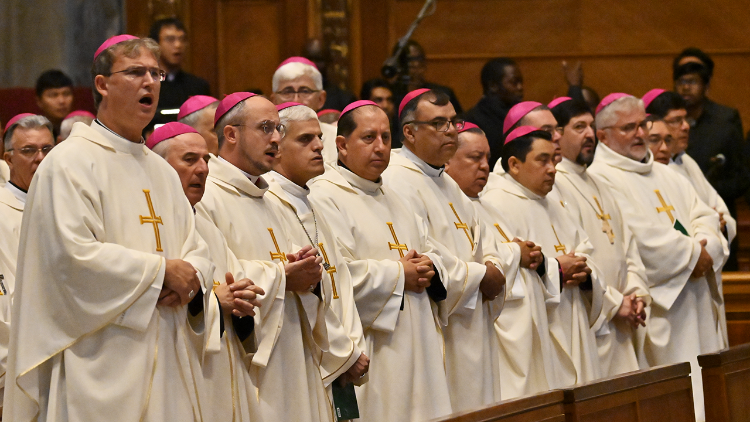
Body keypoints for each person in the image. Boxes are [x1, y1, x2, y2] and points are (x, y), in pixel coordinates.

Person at [4, 35, 216, 421]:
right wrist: (160, 271)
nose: (149, 82)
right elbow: (69, 258)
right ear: (101, 85)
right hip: (98, 363)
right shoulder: (68, 162)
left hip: (168, 354)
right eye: (136, 72)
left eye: (156, 73)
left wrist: (196, 275)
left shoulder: (161, 172)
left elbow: (196, 246)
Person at [384, 89, 540, 410]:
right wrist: (482, 275)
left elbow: (482, 240)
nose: (451, 131)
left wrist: (494, 266)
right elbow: (420, 251)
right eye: (439, 123)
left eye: (454, 122)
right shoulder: (396, 179)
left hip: (472, 323)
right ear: (410, 132)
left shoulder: (447, 181)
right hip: (442, 326)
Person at [195, 92, 342, 422]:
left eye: (278, 128)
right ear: (231, 134)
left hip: (296, 357)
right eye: (266, 128)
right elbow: (217, 280)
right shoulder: (208, 196)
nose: (277, 137)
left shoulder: (275, 201)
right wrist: (283, 276)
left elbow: (308, 277)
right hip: (248, 362)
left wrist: (310, 273)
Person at [309, 101, 455, 421]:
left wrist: (430, 265)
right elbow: (336, 277)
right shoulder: (324, 196)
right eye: (368, 138)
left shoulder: (397, 198)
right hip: (376, 349)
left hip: (421, 344)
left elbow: (433, 251)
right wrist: (398, 274)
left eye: (386, 138)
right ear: (342, 145)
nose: (380, 147)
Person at [588, 93, 726, 421]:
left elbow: (703, 214)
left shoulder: (667, 174)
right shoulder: (602, 178)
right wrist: (696, 254)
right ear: (603, 135)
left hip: (695, 301)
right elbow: (640, 237)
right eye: (628, 128)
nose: (639, 134)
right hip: (666, 311)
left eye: (642, 124)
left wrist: (705, 247)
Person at [146, 122, 265, 422]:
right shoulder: (152, 228)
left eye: (206, 159)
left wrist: (243, 297)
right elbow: (156, 307)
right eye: (189, 160)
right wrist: (214, 303)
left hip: (226, 369)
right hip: (176, 375)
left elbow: (234, 286)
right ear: (159, 167)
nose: (203, 169)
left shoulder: (209, 226)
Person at [265, 102, 370, 410]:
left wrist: (353, 346)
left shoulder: (313, 204)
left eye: (319, 138)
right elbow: (306, 294)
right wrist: (344, 353)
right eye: (305, 139)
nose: (318, 146)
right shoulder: (271, 201)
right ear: (278, 147)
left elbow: (341, 284)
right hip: (307, 357)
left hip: (338, 357)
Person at [482, 126, 606, 387]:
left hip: (574, 322)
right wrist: (556, 270)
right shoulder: (496, 203)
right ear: (514, 165)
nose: (552, 169)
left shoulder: (555, 204)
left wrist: (585, 273)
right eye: (542, 160)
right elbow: (504, 270)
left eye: (554, 160)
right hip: (539, 332)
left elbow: (585, 251)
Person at [446, 122, 559, 398]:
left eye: (487, 157)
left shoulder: (489, 206)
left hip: (526, 336)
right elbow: (464, 266)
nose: (485, 166)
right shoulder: (448, 207)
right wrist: (515, 253)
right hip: (488, 337)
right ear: (448, 160)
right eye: (475, 158)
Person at [550, 97, 650, 376]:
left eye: (592, 126)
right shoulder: (555, 183)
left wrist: (636, 293)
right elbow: (577, 256)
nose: (590, 134)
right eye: (579, 127)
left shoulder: (598, 182)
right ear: (558, 134)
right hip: (595, 318)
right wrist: (615, 304)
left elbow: (628, 247)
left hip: (624, 318)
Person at [644, 88, 737, 275]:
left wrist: (718, 225)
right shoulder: (649, 170)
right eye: (676, 121)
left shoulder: (687, 161)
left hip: (707, 255)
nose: (686, 126)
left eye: (685, 119)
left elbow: (720, 211)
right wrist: (708, 225)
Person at [0, 114, 55, 407]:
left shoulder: (66, 207)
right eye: (28, 151)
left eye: (47, 149)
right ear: (8, 159)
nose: (40, 158)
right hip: (18, 363)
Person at [673, 60, 749, 214]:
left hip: (719, 210)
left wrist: (706, 190)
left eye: (692, 82)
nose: (686, 87)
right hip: (678, 208)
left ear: (706, 88)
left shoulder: (724, 125)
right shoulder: (667, 124)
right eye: (681, 82)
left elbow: (741, 176)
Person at [271, 57, 339, 165]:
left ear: (321, 99)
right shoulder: (265, 140)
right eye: (287, 92)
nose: (296, 100)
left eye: (305, 91)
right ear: (274, 100)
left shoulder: (337, 138)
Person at [465, 57, 524, 170]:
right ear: (493, 86)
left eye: (521, 82)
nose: (520, 87)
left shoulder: (520, 117)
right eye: (514, 82)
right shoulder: (473, 121)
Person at [149, 18, 211, 112]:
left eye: (182, 39)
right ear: (156, 45)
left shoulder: (198, 86)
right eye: (170, 39)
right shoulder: (147, 85)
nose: (178, 45)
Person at [389, 40, 462, 114]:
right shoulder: (388, 97)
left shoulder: (443, 94)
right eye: (409, 61)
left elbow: (459, 122)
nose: (415, 64)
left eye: (419, 60)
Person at [303, 38, 358, 111]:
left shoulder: (344, 100)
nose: (313, 64)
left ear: (329, 62)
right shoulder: (291, 97)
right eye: (309, 59)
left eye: (318, 60)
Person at [34, 69, 75, 139]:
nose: (61, 101)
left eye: (66, 94)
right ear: (39, 101)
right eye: (53, 95)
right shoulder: (33, 132)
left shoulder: (79, 129)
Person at [360, 79, 399, 147]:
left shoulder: (402, 133)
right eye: (378, 100)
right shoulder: (356, 131)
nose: (385, 105)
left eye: (389, 100)